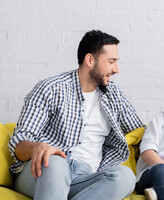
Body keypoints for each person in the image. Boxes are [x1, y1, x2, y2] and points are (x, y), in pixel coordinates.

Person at [8, 30, 145, 200]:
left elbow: (140, 132)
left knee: (124, 177)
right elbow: (18, 143)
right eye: (111, 62)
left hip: (86, 178)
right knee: (55, 161)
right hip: (42, 171)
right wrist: (38, 147)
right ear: (90, 60)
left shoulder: (114, 95)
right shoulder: (51, 88)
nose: (116, 69)